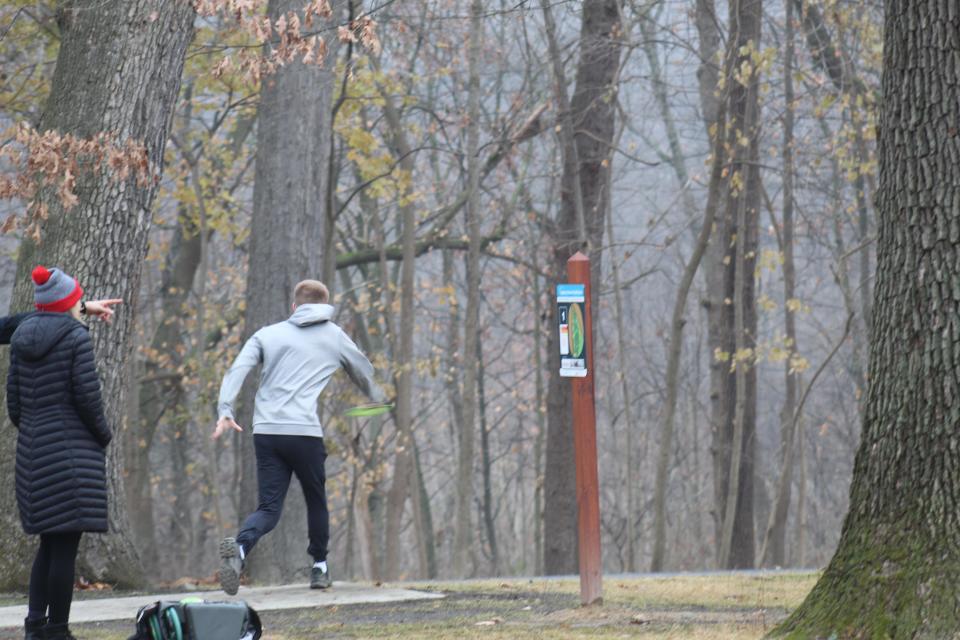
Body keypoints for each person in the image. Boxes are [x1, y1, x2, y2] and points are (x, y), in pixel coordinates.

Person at [214, 279, 385, 594]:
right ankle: (319, 567)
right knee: (315, 500)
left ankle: (239, 549)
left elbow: (237, 370)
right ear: (325, 305)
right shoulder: (334, 336)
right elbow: (362, 370)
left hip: (266, 432)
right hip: (304, 433)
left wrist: (226, 409)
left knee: (268, 508)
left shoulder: (267, 334)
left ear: (294, 306)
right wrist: (379, 398)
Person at [8, 266, 114, 640]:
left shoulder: (21, 337)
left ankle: (35, 625)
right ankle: (57, 630)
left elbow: (14, 407)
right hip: (72, 453)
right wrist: (103, 435)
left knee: (48, 544)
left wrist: (38, 431)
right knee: (65, 547)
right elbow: (88, 398)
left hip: (34, 452)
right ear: (70, 302)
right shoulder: (75, 338)